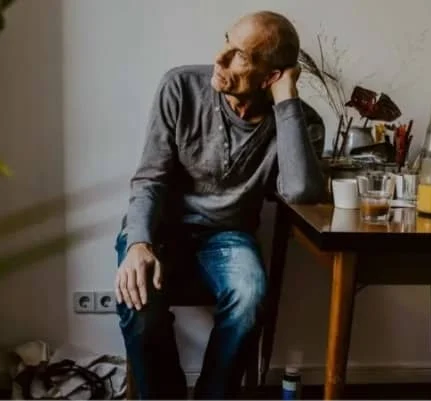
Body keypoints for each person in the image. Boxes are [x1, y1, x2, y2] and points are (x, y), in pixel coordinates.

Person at [114, 10, 326, 399]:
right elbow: (150, 179)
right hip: (160, 229)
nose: (219, 58)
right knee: (138, 304)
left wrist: (286, 100)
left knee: (250, 297)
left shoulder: (299, 121)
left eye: (239, 55)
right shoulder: (181, 87)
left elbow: (301, 193)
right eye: (227, 41)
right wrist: (138, 243)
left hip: (227, 236)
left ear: (271, 76)